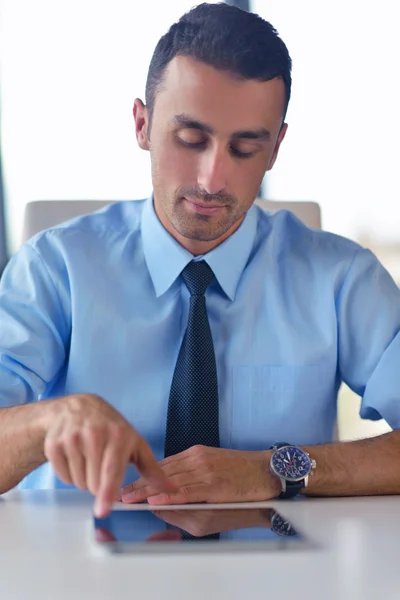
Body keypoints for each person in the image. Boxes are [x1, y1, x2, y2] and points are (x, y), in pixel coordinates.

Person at [0, 2, 399, 520]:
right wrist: (46, 422)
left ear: (276, 147)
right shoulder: (54, 269)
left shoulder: (342, 279)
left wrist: (272, 469)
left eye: (244, 148)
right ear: (142, 125)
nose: (212, 180)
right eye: (191, 140)